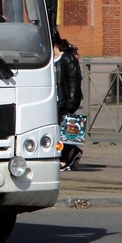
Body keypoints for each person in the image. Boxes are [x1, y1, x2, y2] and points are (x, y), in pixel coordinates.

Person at [53, 35, 84, 170]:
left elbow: (74, 81)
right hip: (52, 100)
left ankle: (69, 156)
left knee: (64, 131)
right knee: (57, 131)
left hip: (64, 100)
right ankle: (69, 154)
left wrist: (72, 102)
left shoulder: (67, 58)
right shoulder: (49, 58)